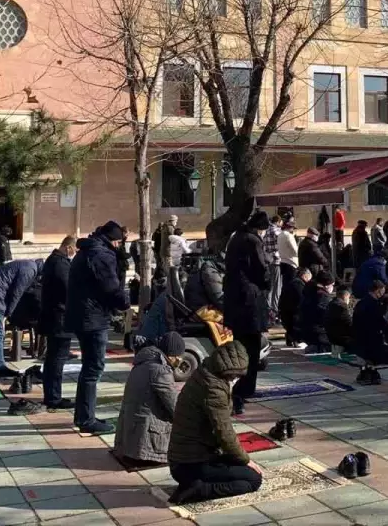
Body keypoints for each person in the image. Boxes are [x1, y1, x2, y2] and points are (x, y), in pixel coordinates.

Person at [167, 340, 262, 505]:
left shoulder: (205, 372)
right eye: (235, 376)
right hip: (189, 464)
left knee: (240, 466)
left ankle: (197, 483)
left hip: (188, 457)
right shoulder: (213, 389)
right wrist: (246, 460)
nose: (236, 380)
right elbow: (224, 433)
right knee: (253, 479)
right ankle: (197, 490)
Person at [66, 220, 130, 434]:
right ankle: (86, 419)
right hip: (92, 318)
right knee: (93, 369)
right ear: (114, 241)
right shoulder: (101, 255)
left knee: (89, 368)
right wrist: (126, 302)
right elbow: (110, 287)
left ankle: (84, 415)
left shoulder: (88, 250)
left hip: (84, 315)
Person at [222, 210, 270, 413]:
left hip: (235, 300)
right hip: (249, 301)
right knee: (251, 348)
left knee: (240, 345)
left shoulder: (236, 238)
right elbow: (261, 270)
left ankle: (237, 387)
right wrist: (267, 283)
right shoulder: (253, 240)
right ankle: (245, 389)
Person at [112, 330, 183, 467]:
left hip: (128, 438)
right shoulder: (160, 371)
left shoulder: (144, 361)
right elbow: (176, 408)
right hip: (144, 442)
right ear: (172, 355)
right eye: (178, 356)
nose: (180, 359)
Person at [0, 257, 43, 376]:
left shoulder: (28, 264)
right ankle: (0, 368)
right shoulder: (30, 269)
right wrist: (9, 313)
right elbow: (17, 292)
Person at [38, 235, 78, 410]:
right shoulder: (60, 264)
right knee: (56, 359)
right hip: (59, 319)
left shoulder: (53, 261)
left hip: (53, 316)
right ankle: (53, 397)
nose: (74, 254)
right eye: (74, 251)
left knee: (54, 358)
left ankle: (52, 395)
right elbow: (68, 289)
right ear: (69, 248)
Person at [352, 279, 388, 376]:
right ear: (378, 291)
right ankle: (371, 361)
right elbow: (385, 329)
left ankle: (368, 359)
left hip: (358, 344)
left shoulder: (360, 303)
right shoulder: (374, 306)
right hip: (371, 346)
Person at [299, 270, 335, 352]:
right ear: (326, 286)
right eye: (332, 285)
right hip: (319, 333)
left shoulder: (309, 292)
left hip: (306, 329)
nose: (333, 287)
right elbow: (325, 315)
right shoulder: (322, 297)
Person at [279, 267, 310, 346]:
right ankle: (296, 339)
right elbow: (301, 300)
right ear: (305, 276)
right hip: (293, 312)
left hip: (285, 311)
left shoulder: (292, 283)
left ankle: (291, 338)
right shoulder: (299, 284)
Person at [264, 216, 283, 320]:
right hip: (277, 260)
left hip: (268, 260)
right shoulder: (276, 231)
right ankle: (275, 310)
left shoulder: (266, 230)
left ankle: (268, 308)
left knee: (270, 287)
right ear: (278, 221)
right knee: (277, 287)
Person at [277, 217, 299, 285]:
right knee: (291, 284)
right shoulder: (289, 236)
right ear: (291, 228)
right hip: (291, 263)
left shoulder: (280, 235)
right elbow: (296, 251)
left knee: (285, 284)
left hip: (282, 262)